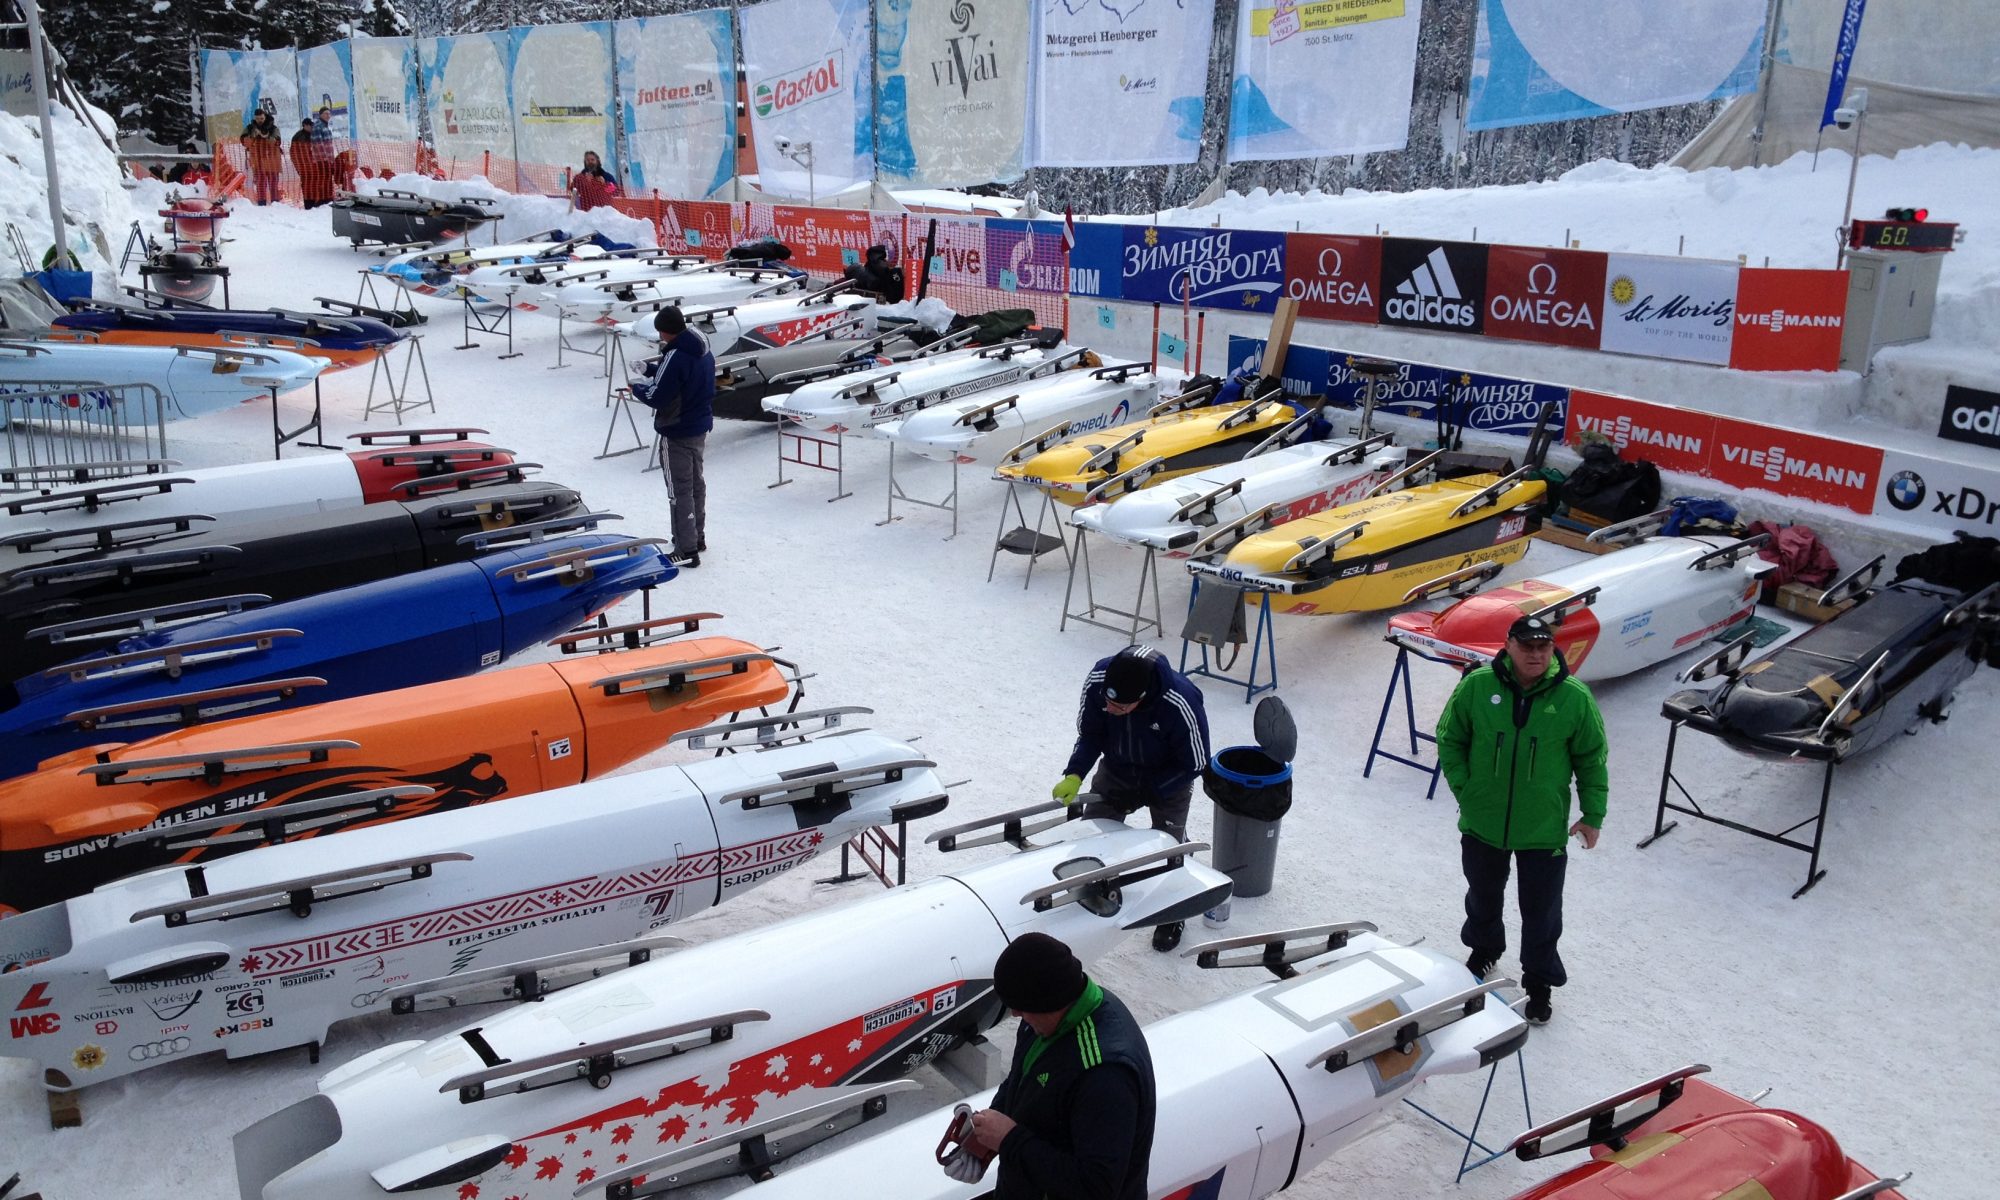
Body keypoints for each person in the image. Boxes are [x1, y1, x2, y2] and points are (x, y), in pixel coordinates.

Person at [1435, 613, 1608, 1025]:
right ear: (1509, 646)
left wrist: (1593, 814)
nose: (1536, 654)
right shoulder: (1477, 686)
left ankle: (1540, 982)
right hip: (1483, 822)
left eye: (1543, 646)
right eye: (1527, 646)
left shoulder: (1574, 697)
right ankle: (1484, 950)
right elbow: (1450, 737)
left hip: (1542, 828)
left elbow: (1592, 759)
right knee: (1482, 893)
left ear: (1553, 649)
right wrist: (1467, 790)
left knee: (1542, 910)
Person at [940, 932, 1154, 1198]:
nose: (1016, 1014)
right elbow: (1021, 1080)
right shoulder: (1045, 1017)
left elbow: (1096, 1188)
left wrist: (1009, 1140)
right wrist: (985, 1137)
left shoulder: (1105, 1075)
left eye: (1021, 1008)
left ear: (1049, 1001)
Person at [1054, 645, 1209, 951]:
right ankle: (1091, 890)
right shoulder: (1100, 679)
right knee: (1094, 832)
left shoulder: (1180, 701)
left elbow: (1196, 762)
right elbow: (1091, 733)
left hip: (1169, 776)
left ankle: (1174, 907)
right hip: (1117, 767)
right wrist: (1075, 773)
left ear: (1141, 698)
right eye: (1108, 704)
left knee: (1170, 843)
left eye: (1120, 707)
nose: (1110, 709)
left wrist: (1150, 791)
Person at [633, 306, 714, 567]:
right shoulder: (702, 349)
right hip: (699, 426)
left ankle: (686, 549)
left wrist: (636, 388)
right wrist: (649, 370)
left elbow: (658, 396)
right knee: (695, 484)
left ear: (665, 331)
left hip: (676, 429)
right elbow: (679, 378)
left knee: (679, 490)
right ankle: (696, 537)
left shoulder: (676, 355)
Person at [241, 110, 285, 206]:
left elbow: (277, 142)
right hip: (258, 160)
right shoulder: (249, 128)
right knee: (260, 183)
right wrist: (253, 136)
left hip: (272, 160)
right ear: (254, 118)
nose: (259, 120)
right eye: (257, 119)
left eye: (261, 118)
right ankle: (261, 204)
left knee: (273, 183)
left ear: (265, 117)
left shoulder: (273, 128)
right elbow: (244, 142)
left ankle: (275, 204)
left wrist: (265, 136)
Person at [289, 119, 333, 208]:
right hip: (305, 167)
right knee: (307, 186)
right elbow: (294, 153)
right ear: (304, 125)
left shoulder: (314, 135)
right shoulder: (299, 137)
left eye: (312, 125)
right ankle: (309, 205)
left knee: (317, 185)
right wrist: (299, 167)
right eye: (309, 125)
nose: (311, 127)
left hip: (315, 166)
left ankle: (319, 203)